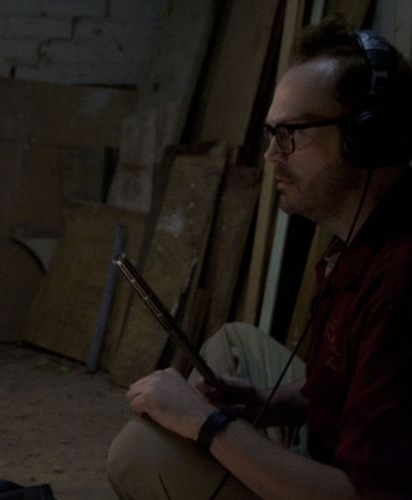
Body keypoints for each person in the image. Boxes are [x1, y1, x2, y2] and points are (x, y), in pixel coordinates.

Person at [106, 18, 412, 500]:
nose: (271, 155)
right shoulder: (360, 236)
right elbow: (346, 387)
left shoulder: (401, 281)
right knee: (232, 345)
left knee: (139, 453)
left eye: (289, 133)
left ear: (364, 136)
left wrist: (208, 425)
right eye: (271, 133)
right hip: (338, 447)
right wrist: (266, 405)